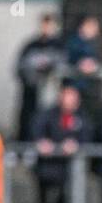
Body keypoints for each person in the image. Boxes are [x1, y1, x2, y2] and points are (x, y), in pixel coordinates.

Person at [31, 81, 92, 203]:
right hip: (45, 166)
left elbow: (86, 136)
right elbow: (37, 130)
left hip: (65, 169)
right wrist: (42, 142)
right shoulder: (48, 114)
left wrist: (76, 145)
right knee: (43, 199)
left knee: (62, 197)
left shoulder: (81, 117)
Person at [14, 12, 64, 141]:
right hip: (31, 89)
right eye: (45, 25)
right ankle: (26, 144)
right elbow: (20, 67)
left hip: (51, 90)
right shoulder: (31, 45)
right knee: (28, 118)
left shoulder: (59, 46)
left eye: (50, 25)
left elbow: (62, 67)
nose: (47, 28)